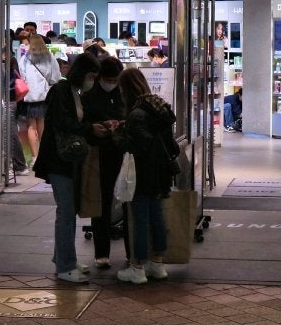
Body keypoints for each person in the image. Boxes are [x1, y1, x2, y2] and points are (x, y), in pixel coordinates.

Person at [33, 51, 101, 284]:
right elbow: (62, 123)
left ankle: (64, 258)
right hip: (59, 160)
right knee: (66, 212)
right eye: (91, 76)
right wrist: (90, 129)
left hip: (68, 160)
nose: (92, 81)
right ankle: (65, 266)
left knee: (68, 211)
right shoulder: (61, 91)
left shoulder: (74, 92)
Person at [115, 68, 176, 284]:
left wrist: (119, 135)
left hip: (142, 172)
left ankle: (137, 267)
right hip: (161, 171)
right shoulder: (158, 107)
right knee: (156, 216)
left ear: (127, 89)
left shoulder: (136, 114)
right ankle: (157, 264)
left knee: (139, 219)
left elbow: (138, 147)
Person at [83, 55, 128, 268]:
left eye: (115, 80)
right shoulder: (90, 96)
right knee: (102, 202)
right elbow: (85, 124)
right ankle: (102, 254)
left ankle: (131, 252)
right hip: (101, 154)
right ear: (101, 77)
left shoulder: (123, 93)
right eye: (109, 79)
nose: (112, 83)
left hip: (123, 153)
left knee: (127, 202)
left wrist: (122, 124)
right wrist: (101, 125)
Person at [18, 32, 61, 165]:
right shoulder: (50, 57)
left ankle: (34, 157)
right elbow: (55, 77)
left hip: (30, 97)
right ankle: (44, 155)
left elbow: (23, 77)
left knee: (31, 126)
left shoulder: (25, 59)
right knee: (42, 125)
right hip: (44, 95)